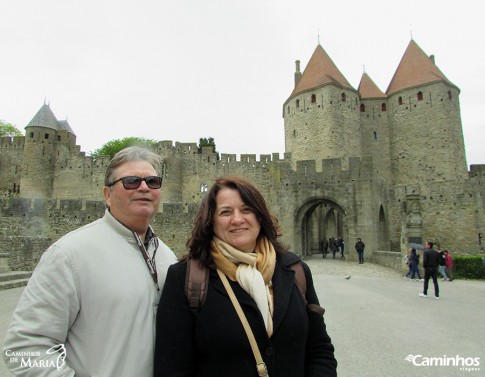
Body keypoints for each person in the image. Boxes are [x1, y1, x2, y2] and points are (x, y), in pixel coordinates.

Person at [2, 147, 177, 376]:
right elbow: (24, 348)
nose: (144, 187)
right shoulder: (69, 254)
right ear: (107, 194)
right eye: (131, 181)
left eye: (152, 181)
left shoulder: (167, 257)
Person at [154, 176, 337, 377]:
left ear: (260, 216)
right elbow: (172, 367)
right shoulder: (185, 279)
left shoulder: (295, 271)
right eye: (225, 212)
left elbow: (319, 350)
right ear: (210, 221)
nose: (238, 219)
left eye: (246, 209)